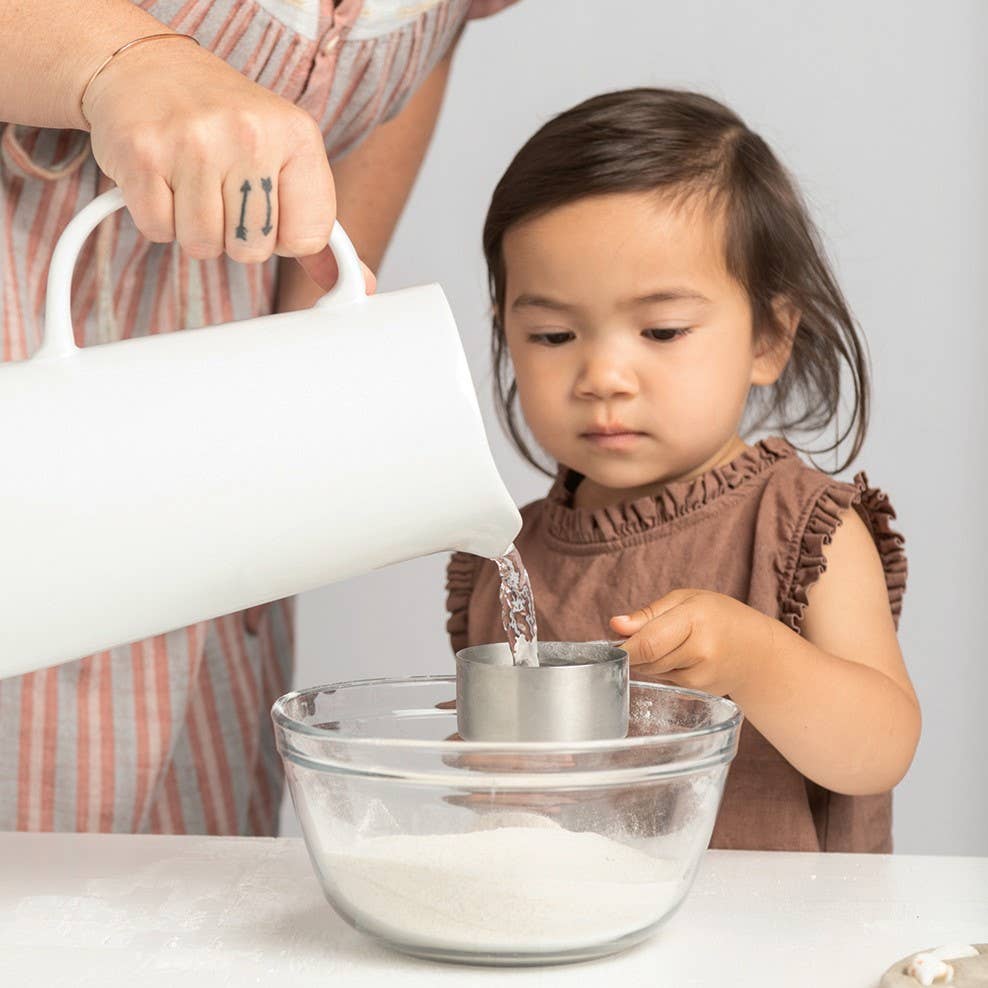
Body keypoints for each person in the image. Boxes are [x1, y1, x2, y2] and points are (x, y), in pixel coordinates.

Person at [0, 0, 519, 835]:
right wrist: (122, 61)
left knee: (171, 894)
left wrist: (309, 357)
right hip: (31, 412)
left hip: (214, 443)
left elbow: (409, 62)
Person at [446, 88, 920, 853]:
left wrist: (756, 659)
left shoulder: (802, 528)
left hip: (776, 951)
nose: (603, 374)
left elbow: (880, 751)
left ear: (768, 338)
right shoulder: (506, 556)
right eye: (553, 334)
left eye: (661, 330)